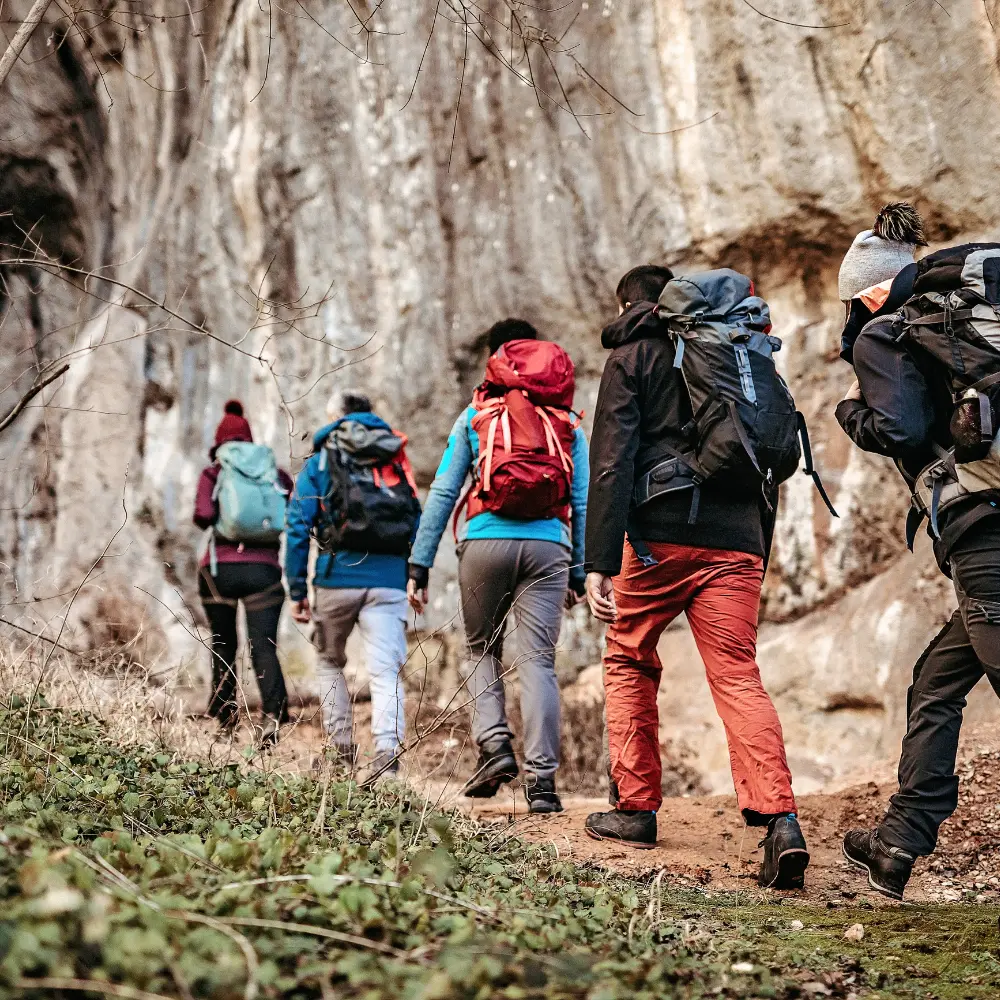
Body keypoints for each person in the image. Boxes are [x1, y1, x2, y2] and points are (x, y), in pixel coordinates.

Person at [582, 264, 809, 890]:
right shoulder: (735, 346)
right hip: (737, 538)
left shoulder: (633, 355)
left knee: (629, 657)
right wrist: (754, 544)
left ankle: (635, 809)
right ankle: (781, 819)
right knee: (737, 673)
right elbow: (758, 448)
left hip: (660, 539)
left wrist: (599, 560)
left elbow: (612, 459)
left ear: (630, 301)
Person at [835, 204, 1000, 899]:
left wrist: (851, 415)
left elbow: (899, 430)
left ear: (869, 290)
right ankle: (899, 842)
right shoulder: (964, 325)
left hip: (987, 531)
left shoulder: (887, 330)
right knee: (936, 681)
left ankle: (901, 841)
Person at [407, 318, 589, 815]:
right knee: (538, 662)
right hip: (550, 547)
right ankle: (543, 785)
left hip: (485, 542)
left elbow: (444, 491)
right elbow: (583, 498)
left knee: (481, 649)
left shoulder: (476, 416)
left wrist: (419, 562)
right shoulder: (567, 423)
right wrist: (581, 570)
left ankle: (493, 748)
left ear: (496, 359)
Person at [284, 389, 421, 784]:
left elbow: (297, 526)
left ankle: (341, 751)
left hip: (335, 577)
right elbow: (415, 518)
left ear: (337, 416)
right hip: (390, 581)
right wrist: (415, 573)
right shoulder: (394, 453)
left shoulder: (324, 457)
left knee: (329, 662)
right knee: (385, 672)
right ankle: (387, 758)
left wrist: (297, 590)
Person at [194, 399, 293, 745]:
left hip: (219, 571)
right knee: (263, 645)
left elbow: (203, 515)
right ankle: (273, 717)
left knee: (223, 644)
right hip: (264, 572)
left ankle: (226, 721)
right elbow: (289, 516)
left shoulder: (214, 472)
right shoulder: (275, 473)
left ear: (220, 443)